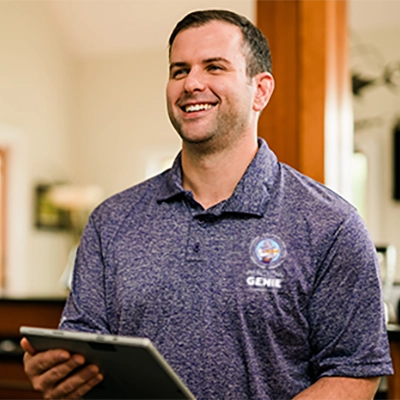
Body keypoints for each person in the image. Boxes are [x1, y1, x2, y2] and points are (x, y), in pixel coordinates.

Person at [21, 9, 393, 400]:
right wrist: (58, 370)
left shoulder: (331, 224)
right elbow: (83, 347)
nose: (192, 83)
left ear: (261, 90)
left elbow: (354, 375)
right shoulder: (111, 221)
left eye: (214, 67)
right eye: (179, 70)